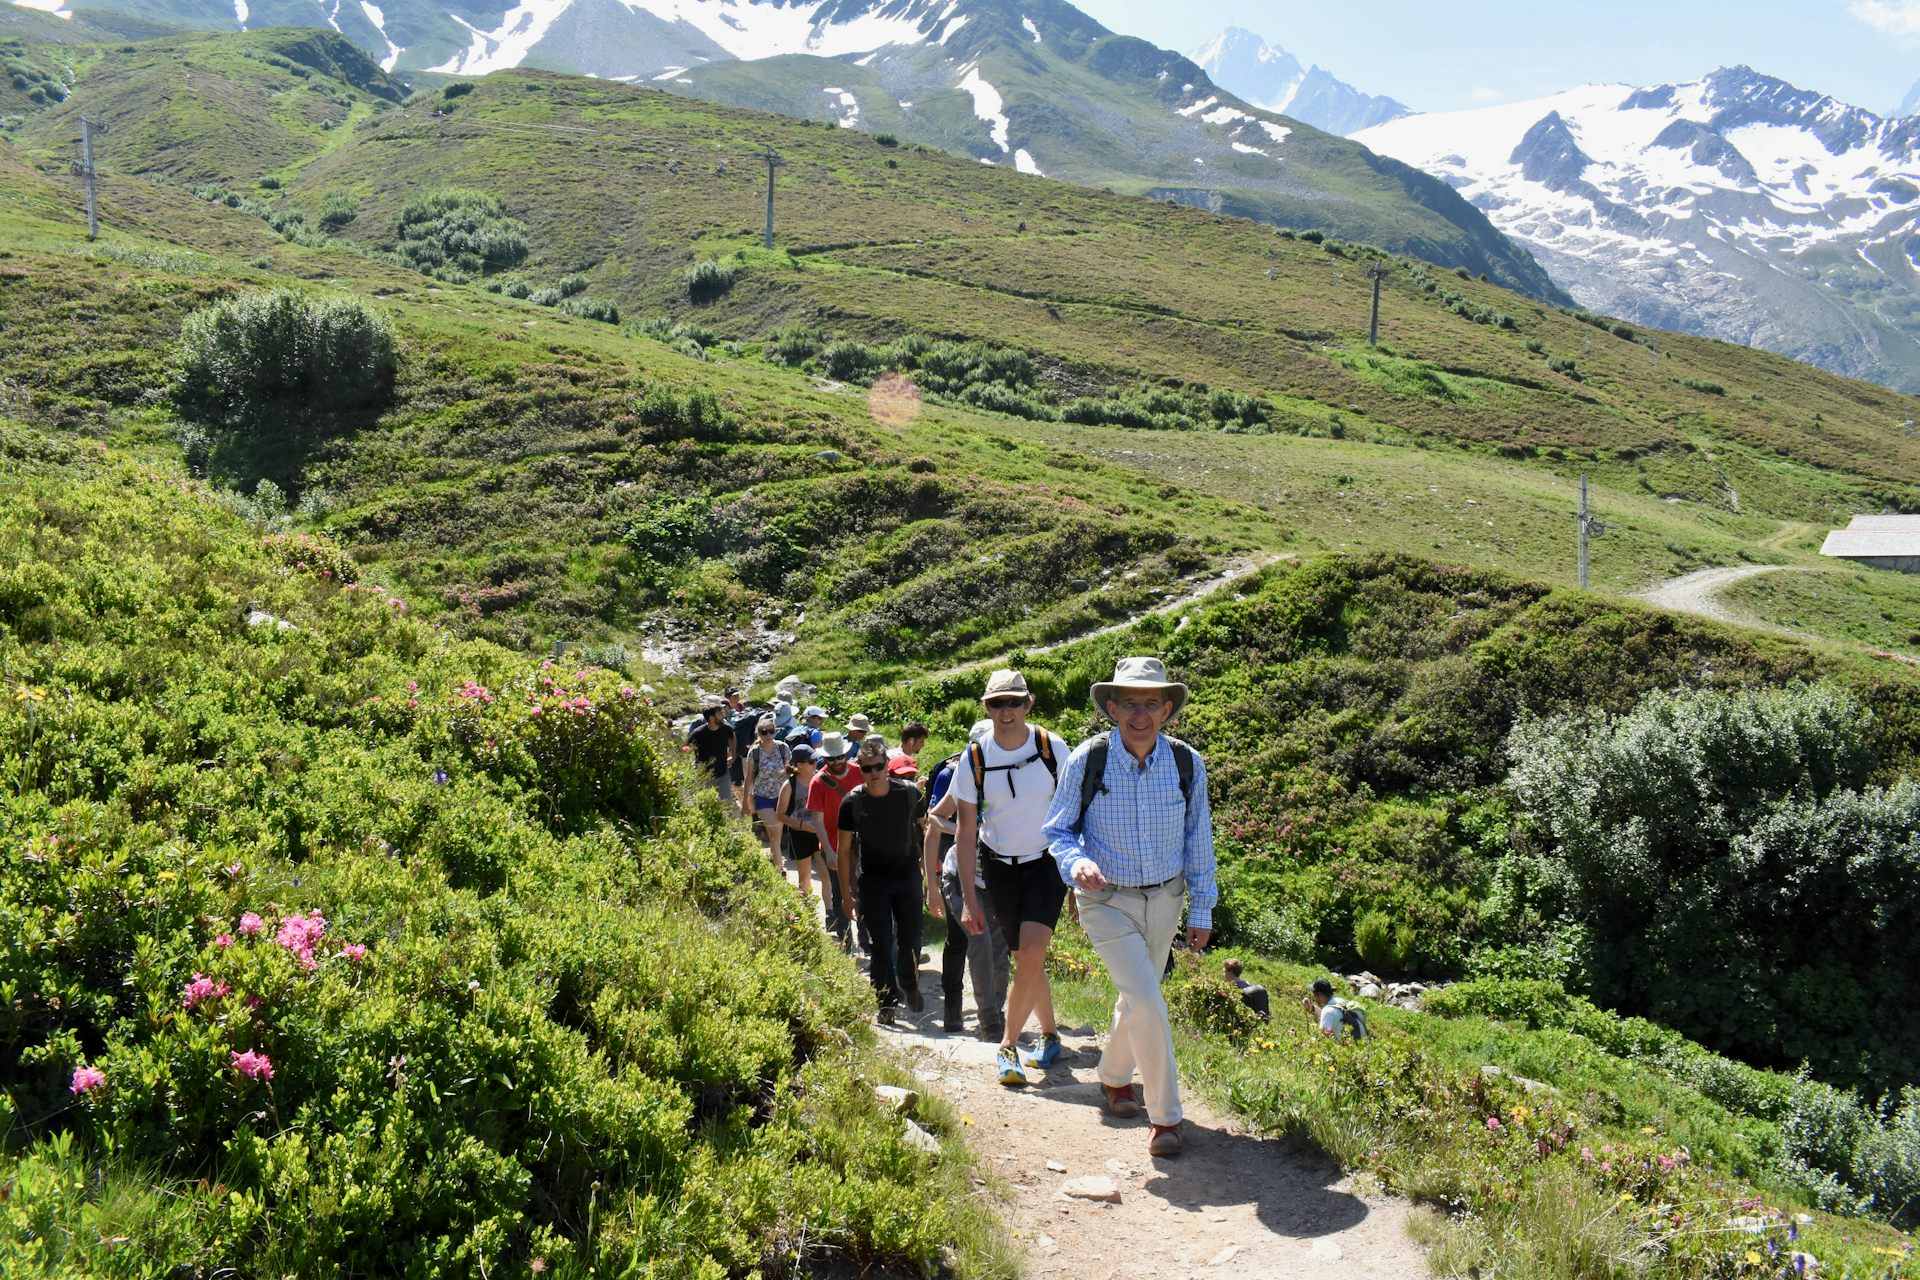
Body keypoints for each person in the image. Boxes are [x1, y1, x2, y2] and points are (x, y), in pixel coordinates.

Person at [1043, 656, 1216, 1159]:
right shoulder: (1087, 759)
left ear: (1167, 710)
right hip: (1105, 899)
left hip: (1167, 897)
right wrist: (1076, 865)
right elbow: (1058, 829)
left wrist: (1201, 909)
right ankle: (1166, 1119)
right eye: (1130, 704)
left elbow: (1197, 838)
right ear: (1112, 707)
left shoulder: (1187, 763)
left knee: (1137, 997)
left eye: (1151, 704)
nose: (1140, 714)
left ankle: (1115, 1078)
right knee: (1148, 999)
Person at [955, 670, 1072, 1088]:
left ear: (1028, 704)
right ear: (986, 708)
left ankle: (1007, 1046)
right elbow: (965, 833)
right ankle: (1052, 1035)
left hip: (1046, 862)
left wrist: (1075, 875)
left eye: (1013, 702)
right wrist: (969, 899)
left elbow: (1075, 811)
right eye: (996, 704)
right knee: (1026, 957)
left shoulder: (1051, 747)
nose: (1005, 711)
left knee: (1033, 950)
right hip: (999, 866)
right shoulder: (973, 757)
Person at [925, 723, 1010, 1039]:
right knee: (976, 941)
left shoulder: (1015, 776)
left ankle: (996, 1015)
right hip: (959, 876)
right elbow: (934, 819)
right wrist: (932, 887)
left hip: (998, 882)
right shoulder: (959, 775)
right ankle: (984, 1021)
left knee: (999, 950)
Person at [838, 736, 927, 1017]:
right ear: (860, 768)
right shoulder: (852, 802)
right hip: (873, 880)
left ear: (887, 765)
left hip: (907, 876)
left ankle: (908, 982)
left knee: (911, 938)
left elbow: (925, 832)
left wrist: (928, 873)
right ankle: (885, 1002)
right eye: (867, 769)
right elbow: (843, 852)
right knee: (881, 943)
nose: (873, 773)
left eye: (878, 766)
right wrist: (846, 894)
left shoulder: (911, 794)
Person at [811, 732, 861, 947]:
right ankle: (845, 937)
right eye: (831, 759)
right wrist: (829, 851)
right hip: (833, 845)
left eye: (839, 757)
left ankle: (868, 940)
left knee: (862, 888)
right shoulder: (818, 781)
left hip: (861, 844)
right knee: (839, 892)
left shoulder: (860, 773)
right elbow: (818, 821)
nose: (836, 762)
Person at [773, 746, 832, 905]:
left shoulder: (821, 779)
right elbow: (780, 815)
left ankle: (830, 912)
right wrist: (801, 824)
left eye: (816, 760)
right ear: (799, 765)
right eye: (811, 761)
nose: (815, 764)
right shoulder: (789, 785)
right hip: (799, 834)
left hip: (820, 833)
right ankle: (804, 912)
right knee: (805, 877)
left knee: (826, 874)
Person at [740, 715, 792, 869]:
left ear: (775, 732)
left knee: (774, 834)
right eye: (764, 732)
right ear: (759, 734)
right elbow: (748, 779)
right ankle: (780, 868)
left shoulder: (783, 748)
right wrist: (745, 803)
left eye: (771, 731)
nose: (768, 735)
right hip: (762, 797)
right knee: (775, 831)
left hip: (782, 796)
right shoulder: (754, 753)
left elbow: (790, 773)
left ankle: (774, 862)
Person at [686, 703, 735, 806]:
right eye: (720, 714)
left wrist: (733, 755)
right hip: (705, 776)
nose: (723, 716)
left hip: (723, 773)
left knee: (727, 804)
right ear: (712, 718)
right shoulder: (698, 733)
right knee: (706, 804)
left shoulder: (726, 728)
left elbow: (732, 738)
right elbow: (685, 746)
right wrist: (687, 753)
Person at [724, 688, 761, 804]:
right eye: (734, 696)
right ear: (728, 698)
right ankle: (743, 801)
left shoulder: (740, 709)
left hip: (741, 750)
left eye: (737, 696)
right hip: (736, 750)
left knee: (746, 776)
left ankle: (746, 802)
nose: (736, 699)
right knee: (737, 778)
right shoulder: (735, 715)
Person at [1303, 978, 1368, 1039]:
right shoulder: (1339, 1002)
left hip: (1346, 1048)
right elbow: (1332, 1016)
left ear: (1319, 995)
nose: (1314, 998)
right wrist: (1312, 1008)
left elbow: (1323, 1037)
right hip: (1361, 1043)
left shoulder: (1327, 1011)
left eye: (1314, 995)